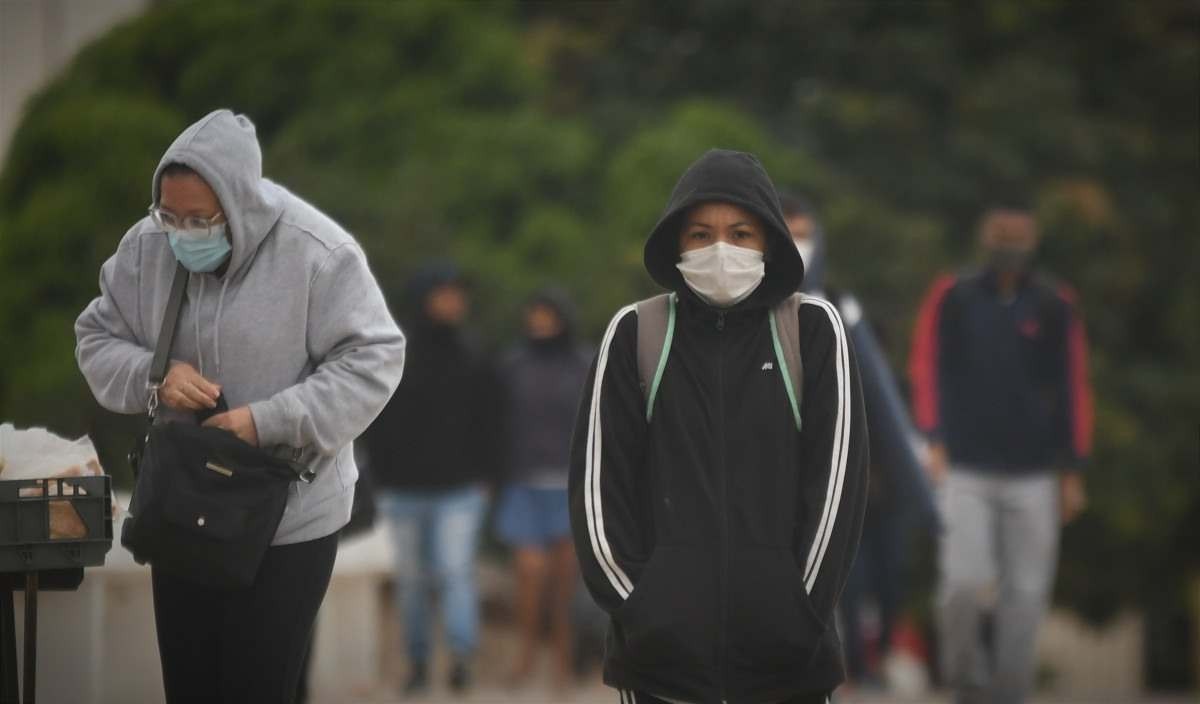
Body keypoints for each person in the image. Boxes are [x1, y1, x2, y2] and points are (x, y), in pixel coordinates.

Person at [75, 109, 406, 703]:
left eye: (199, 220)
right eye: (168, 214)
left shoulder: (318, 253)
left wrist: (266, 420)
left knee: (258, 688)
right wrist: (155, 376)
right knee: (191, 686)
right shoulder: (147, 246)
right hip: (181, 506)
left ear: (241, 205)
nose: (180, 232)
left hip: (289, 516)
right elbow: (96, 338)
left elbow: (375, 358)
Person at [568, 149, 869, 704]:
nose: (721, 250)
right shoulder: (636, 334)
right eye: (701, 234)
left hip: (790, 666)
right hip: (661, 669)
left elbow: (836, 487)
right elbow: (598, 496)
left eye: (741, 233)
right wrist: (643, 611)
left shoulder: (812, 330)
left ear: (770, 244)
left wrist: (798, 611)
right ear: (676, 244)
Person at [909, 206, 1092, 704]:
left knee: (1027, 597)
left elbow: (1073, 386)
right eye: (1000, 235)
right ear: (985, 238)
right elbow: (926, 366)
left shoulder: (1055, 303)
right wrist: (932, 438)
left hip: (1034, 474)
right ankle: (966, 680)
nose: (1008, 245)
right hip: (964, 466)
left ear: (1032, 242)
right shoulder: (954, 296)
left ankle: (1010, 694)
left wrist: (1072, 470)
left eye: (1018, 237)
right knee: (962, 584)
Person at [781, 194, 938, 687]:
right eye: (786, 234)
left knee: (867, 581)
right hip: (777, 477)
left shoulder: (839, 311)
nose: (796, 246)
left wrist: (924, 497)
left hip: (861, 489)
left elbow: (889, 419)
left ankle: (863, 663)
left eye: (804, 233)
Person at [362, 263, 499, 696]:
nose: (454, 301)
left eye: (458, 293)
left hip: (460, 489)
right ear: (424, 297)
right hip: (401, 490)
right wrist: (380, 476)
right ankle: (418, 662)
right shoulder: (394, 351)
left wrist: (488, 475)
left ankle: (460, 659)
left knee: (455, 572)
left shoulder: (475, 352)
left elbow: (492, 420)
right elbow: (373, 418)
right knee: (411, 581)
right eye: (444, 293)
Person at [494, 288, 592, 691]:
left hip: (568, 486)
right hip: (523, 483)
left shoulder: (585, 362)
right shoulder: (512, 364)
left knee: (564, 583)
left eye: (547, 315)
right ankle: (525, 653)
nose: (540, 322)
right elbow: (494, 422)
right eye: (534, 315)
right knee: (530, 573)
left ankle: (563, 663)